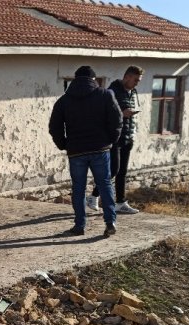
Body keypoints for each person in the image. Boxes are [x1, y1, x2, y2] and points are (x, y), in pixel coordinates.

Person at [49, 66, 123, 236]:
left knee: (78, 188)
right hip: (100, 149)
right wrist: (111, 139)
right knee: (104, 184)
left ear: (75, 80)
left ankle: (80, 225)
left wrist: (64, 144)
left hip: (76, 152)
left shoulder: (64, 100)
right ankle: (110, 221)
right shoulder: (105, 95)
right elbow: (117, 120)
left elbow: (55, 127)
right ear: (94, 79)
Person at [87, 65, 144, 214]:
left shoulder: (132, 92)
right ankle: (93, 196)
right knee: (113, 170)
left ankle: (120, 202)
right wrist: (122, 113)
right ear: (127, 77)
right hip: (114, 137)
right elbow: (107, 112)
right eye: (136, 80)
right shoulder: (112, 91)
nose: (137, 83)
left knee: (122, 172)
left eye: (139, 81)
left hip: (127, 136)